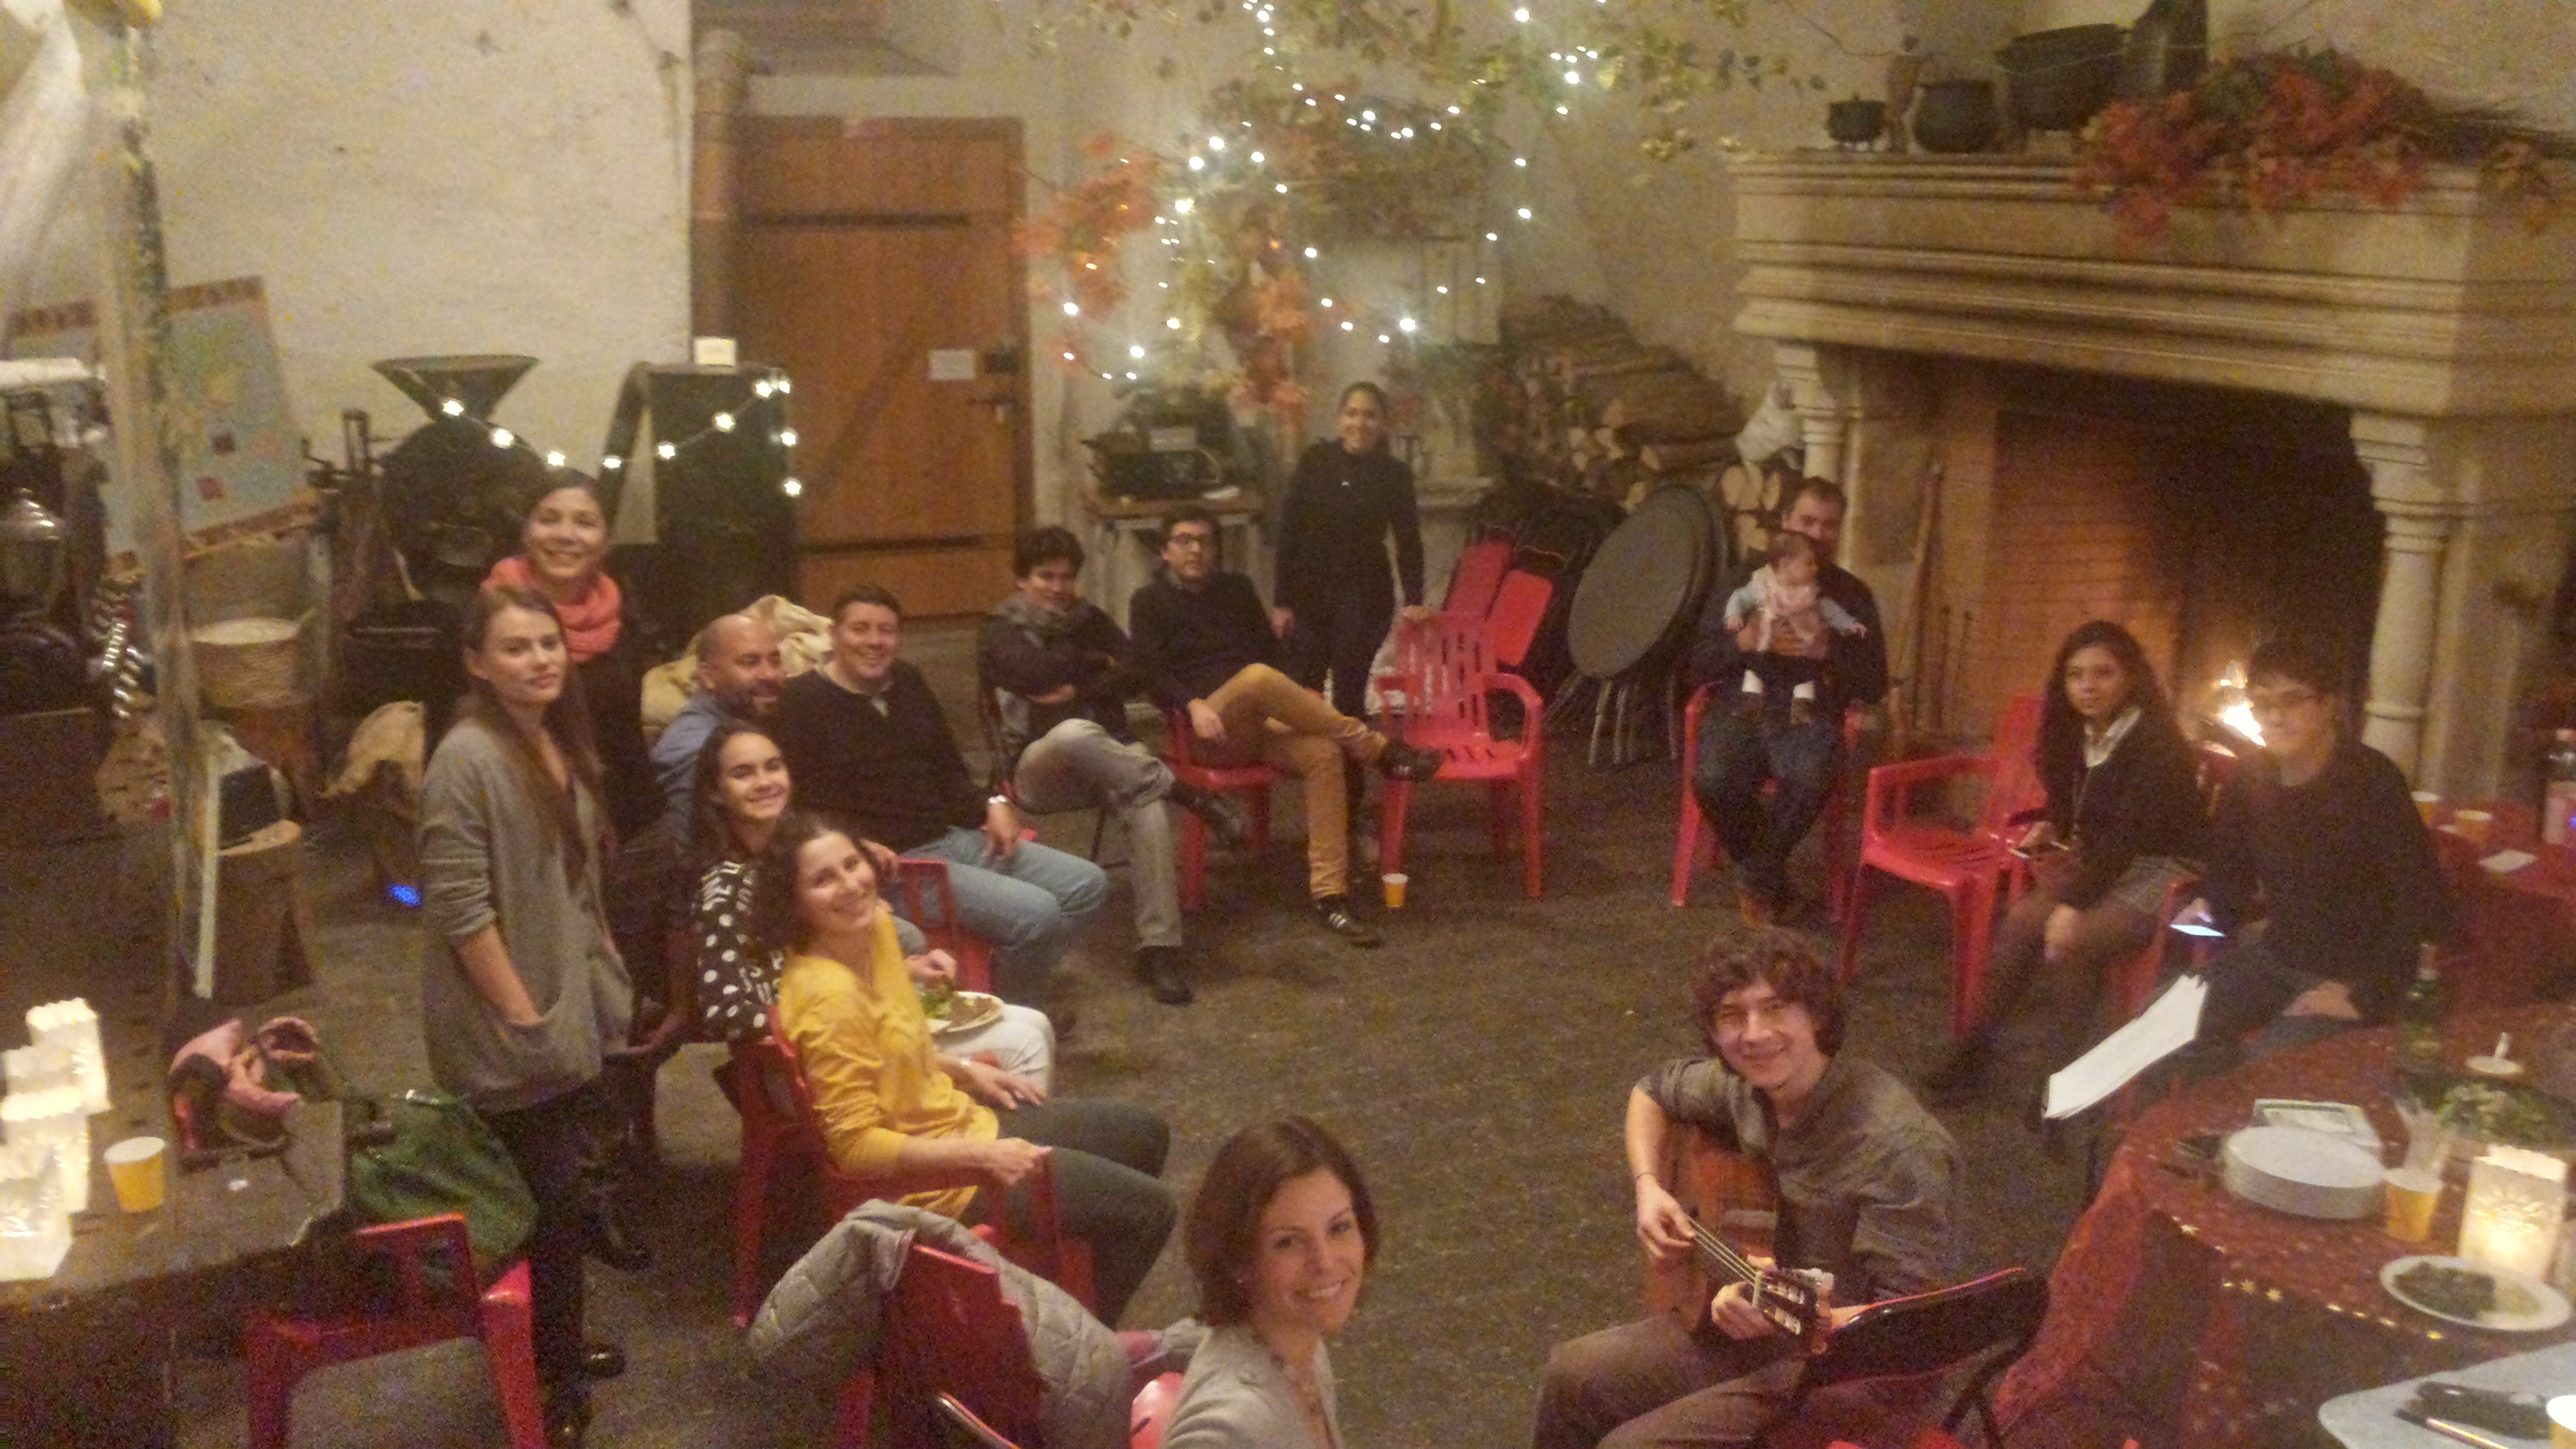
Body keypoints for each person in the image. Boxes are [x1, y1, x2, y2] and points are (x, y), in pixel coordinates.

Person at [1531, 929, 1961, 1449]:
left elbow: (1911, 1325)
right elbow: (1651, 1092)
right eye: (1732, 1016)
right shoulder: (1743, 1088)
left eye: (1775, 1008)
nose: (1754, 1035)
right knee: (1573, 1373)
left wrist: (1786, 1314)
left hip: (1863, 1372)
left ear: (1816, 1016)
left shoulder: (1897, 1146)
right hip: (1772, 1329)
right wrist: (1649, 1188)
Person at [754, 811, 1175, 1322]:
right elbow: (854, 1147)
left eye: (851, 864)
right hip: (936, 1185)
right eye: (823, 880)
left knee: (1144, 1135)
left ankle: (1063, 1286)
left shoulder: (872, 930)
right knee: (1149, 1211)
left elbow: (890, 1048)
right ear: (794, 903)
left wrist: (966, 1071)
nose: (850, 885)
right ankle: (1071, 1343)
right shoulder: (827, 998)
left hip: (957, 1123)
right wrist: (982, 1156)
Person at [418, 585, 632, 1447]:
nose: (540, 659)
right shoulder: (466, 758)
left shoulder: (549, 736)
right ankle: (551, 1379)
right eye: (516, 647)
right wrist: (525, 1018)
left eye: (549, 643)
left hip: (557, 1004)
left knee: (557, 1199)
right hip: (511, 1026)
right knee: (546, 1204)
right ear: (476, 662)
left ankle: (554, 1345)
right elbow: (460, 907)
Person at [773, 584, 1110, 1010]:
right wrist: (852, 847)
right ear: (834, 634)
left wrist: (993, 804)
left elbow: (949, 767)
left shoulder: (907, 681)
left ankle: (1005, 988)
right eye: (860, 629)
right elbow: (791, 807)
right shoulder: (800, 702)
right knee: (1037, 914)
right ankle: (1013, 1012)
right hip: (894, 867)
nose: (874, 641)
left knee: (1087, 885)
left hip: (952, 837)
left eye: (886, 631)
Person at [1128, 506, 1445, 949]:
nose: (1196, 549)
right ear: (1165, 551)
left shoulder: (1236, 589)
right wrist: (1192, 704)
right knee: (1257, 678)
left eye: (1205, 541)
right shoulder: (1149, 601)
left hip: (1258, 722)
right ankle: (1379, 750)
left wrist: (1297, 699)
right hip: (1206, 731)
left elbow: (1270, 651)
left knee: (1323, 753)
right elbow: (1150, 673)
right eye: (1184, 540)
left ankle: (1330, 896)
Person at [1923, 620, 2207, 1103]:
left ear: (2131, 677)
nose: (2088, 686)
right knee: (2022, 922)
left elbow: (2130, 836)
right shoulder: (2076, 731)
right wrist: (2053, 824)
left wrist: (2074, 903)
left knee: (2072, 938)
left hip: (2165, 866)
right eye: (2076, 675)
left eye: (2104, 673)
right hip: (2105, 856)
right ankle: (1972, 1053)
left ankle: (2060, 1081)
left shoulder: (2157, 743)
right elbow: (2079, 806)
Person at [685, 720, 1055, 1083]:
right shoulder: (726, 888)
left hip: (858, 1021)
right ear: (715, 792)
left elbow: (819, 961)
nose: (765, 782)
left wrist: (905, 971)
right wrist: (841, 1015)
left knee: (1033, 1022)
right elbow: (727, 1014)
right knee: (1023, 1044)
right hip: (812, 1057)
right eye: (743, 774)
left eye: (773, 766)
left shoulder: (794, 853)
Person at [978, 527, 1252, 1007]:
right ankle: (1185, 792)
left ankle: (1159, 949)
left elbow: (1137, 669)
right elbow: (1033, 673)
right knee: (1073, 733)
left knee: (1144, 801)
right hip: (1039, 768)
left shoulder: (1089, 618)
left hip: (1114, 762)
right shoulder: (999, 630)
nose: (1058, 588)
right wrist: (1092, 665)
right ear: (1022, 579)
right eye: (1045, 577)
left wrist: (1075, 683)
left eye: (1066, 577)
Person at [2174, 635, 2456, 1066]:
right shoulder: (2250, 778)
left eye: (2293, 700)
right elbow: (2231, 881)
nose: (2275, 717)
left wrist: (2367, 997)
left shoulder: (2372, 782)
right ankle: (2195, 1101)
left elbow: (2424, 903)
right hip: (2274, 957)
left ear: (2329, 706)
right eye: (2263, 704)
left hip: (2351, 975)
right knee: (2160, 1026)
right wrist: (2203, 915)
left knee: (2269, 1068)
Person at [1686, 479, 1888, 925]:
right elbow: (1697, 662)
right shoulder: (1744, 580)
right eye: (1807, 521)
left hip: (1808, 710)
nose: (1817, 533)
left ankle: (1756, 877)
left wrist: (1829, 652)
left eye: (1829, 525)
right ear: (1784, 522)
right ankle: (1773, 884)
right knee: (1713, 779)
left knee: (1811, 776)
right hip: (1743, 701)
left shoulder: (1852, 595)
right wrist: (1743, 642)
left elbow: (1875, 684)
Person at [1162, 1117, 1378, 1449]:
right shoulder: (1229, 1429)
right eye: (1288, 1242)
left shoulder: (1301, 1347)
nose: (1324, 1262)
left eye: (1339, 1228)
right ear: (1237, 1258)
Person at [653, 611, 788, 838]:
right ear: (708, 676)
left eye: (775, 661)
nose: (769, 675)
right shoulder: (698, 749)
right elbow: (687, 846)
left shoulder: (749, 721)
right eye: (750, 663)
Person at [1720, 531, 1868, 725]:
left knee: (1807, 675)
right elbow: (1739, 598)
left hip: (1803, 648)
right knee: (1755, 670)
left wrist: (1849, 624)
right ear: (1785, 565)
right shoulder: (1763, 586)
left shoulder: (1810, 591)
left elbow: (1831, 610)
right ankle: (1751, 702)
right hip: (1766, 646)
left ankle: (1802, 708)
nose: (1815, 568)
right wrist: (1734, 615)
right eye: (1809, 563)